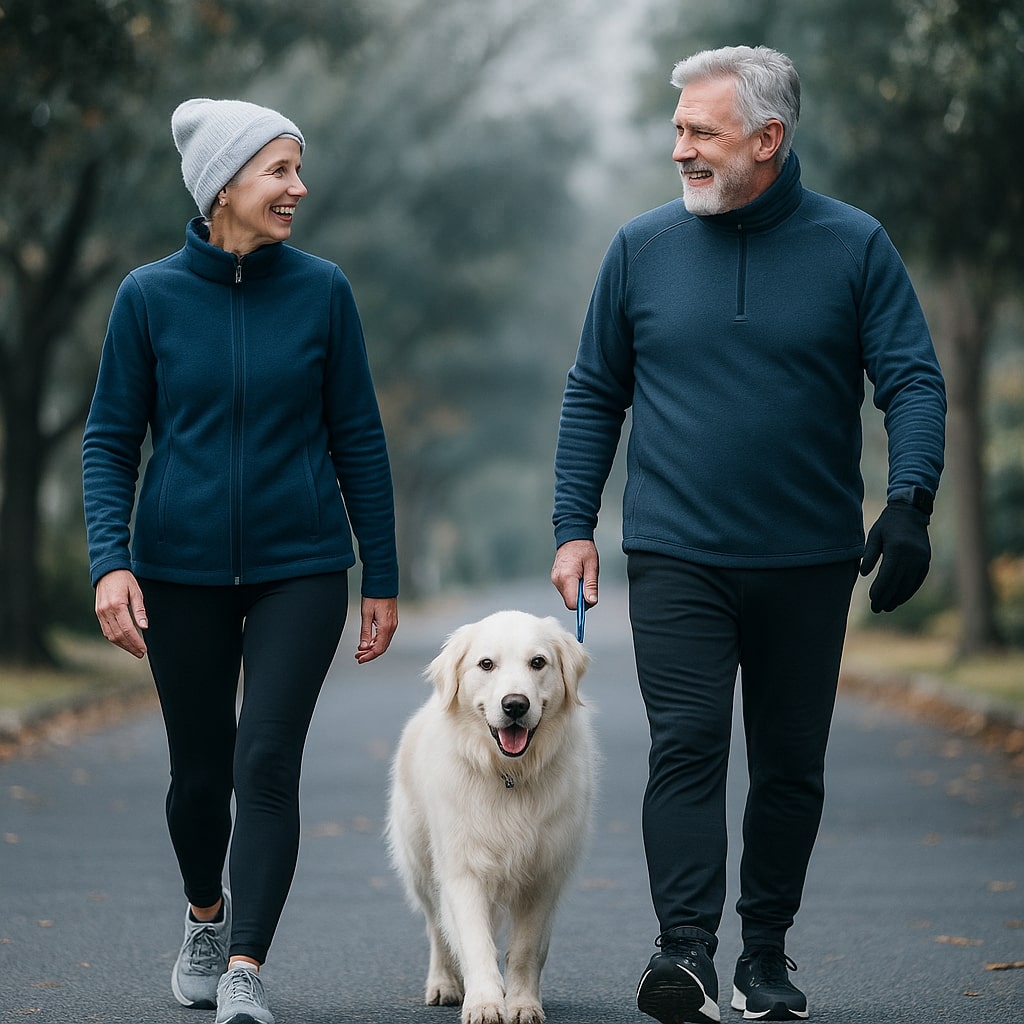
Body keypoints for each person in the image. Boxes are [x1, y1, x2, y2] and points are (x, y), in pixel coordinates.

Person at [550, 45, 945, 1024]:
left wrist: (909, 501)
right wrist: (573, 526)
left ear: (767, 138)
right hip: (675, 550)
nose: (679, 148)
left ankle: (762, 953)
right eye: (677, 128)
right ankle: (683, 949)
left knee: (789, 763)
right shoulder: (640, 248)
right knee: (686, 745)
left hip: (808, 557)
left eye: (700, 131)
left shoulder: (853, 245)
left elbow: (911, 379)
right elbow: (594, 391)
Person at [82, 98, 399, 1024]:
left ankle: (246, 968)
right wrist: (110, 562)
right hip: (177, 570)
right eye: (280, 170)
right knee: (199, 777)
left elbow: (359, 439)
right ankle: (205, 916)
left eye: (297, 169)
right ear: (224, 185)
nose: (299, 187)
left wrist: (380, 575)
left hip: (301, 563)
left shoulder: (323, 292)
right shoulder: (147, 298)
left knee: (265, 761)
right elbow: (110, 440)